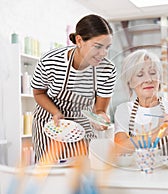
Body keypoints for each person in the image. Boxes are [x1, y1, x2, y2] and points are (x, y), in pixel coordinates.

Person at [31, 14, 116, 163]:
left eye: (107, 47)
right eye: (98, 47)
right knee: (51, 174)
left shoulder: (107, 70)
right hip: (50, 124)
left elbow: (100, 110)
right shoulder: (50, 61)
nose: (103, 54)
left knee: (80, 172)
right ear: (79, 40)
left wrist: (100, 118)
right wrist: (56, 112)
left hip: (81, 127)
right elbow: (38, 93)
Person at [114, 50, 168, 156]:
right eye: (140, 75)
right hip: (136, 172)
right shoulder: (124, 110)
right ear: (130, 82)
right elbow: (120, 147)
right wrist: (157, 133)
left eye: (153, 73)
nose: (149, 79)